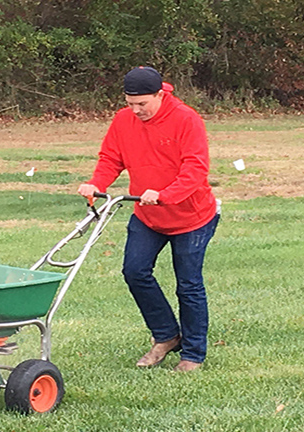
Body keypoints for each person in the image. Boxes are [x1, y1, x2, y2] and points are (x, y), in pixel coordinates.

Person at [76, 66, 219, 372]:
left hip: (191, 217)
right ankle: (167, 336)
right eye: (130, 103)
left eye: (142, 103)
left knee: (188, 285)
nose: (136, 110)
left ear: (160, 94)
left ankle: (193, 354)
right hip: (147, 214)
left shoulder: (186, 119)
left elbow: (195, 170)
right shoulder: (123, 120)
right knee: (134, 271)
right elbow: (111, 158)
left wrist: (166, 194)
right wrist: (96, 184)